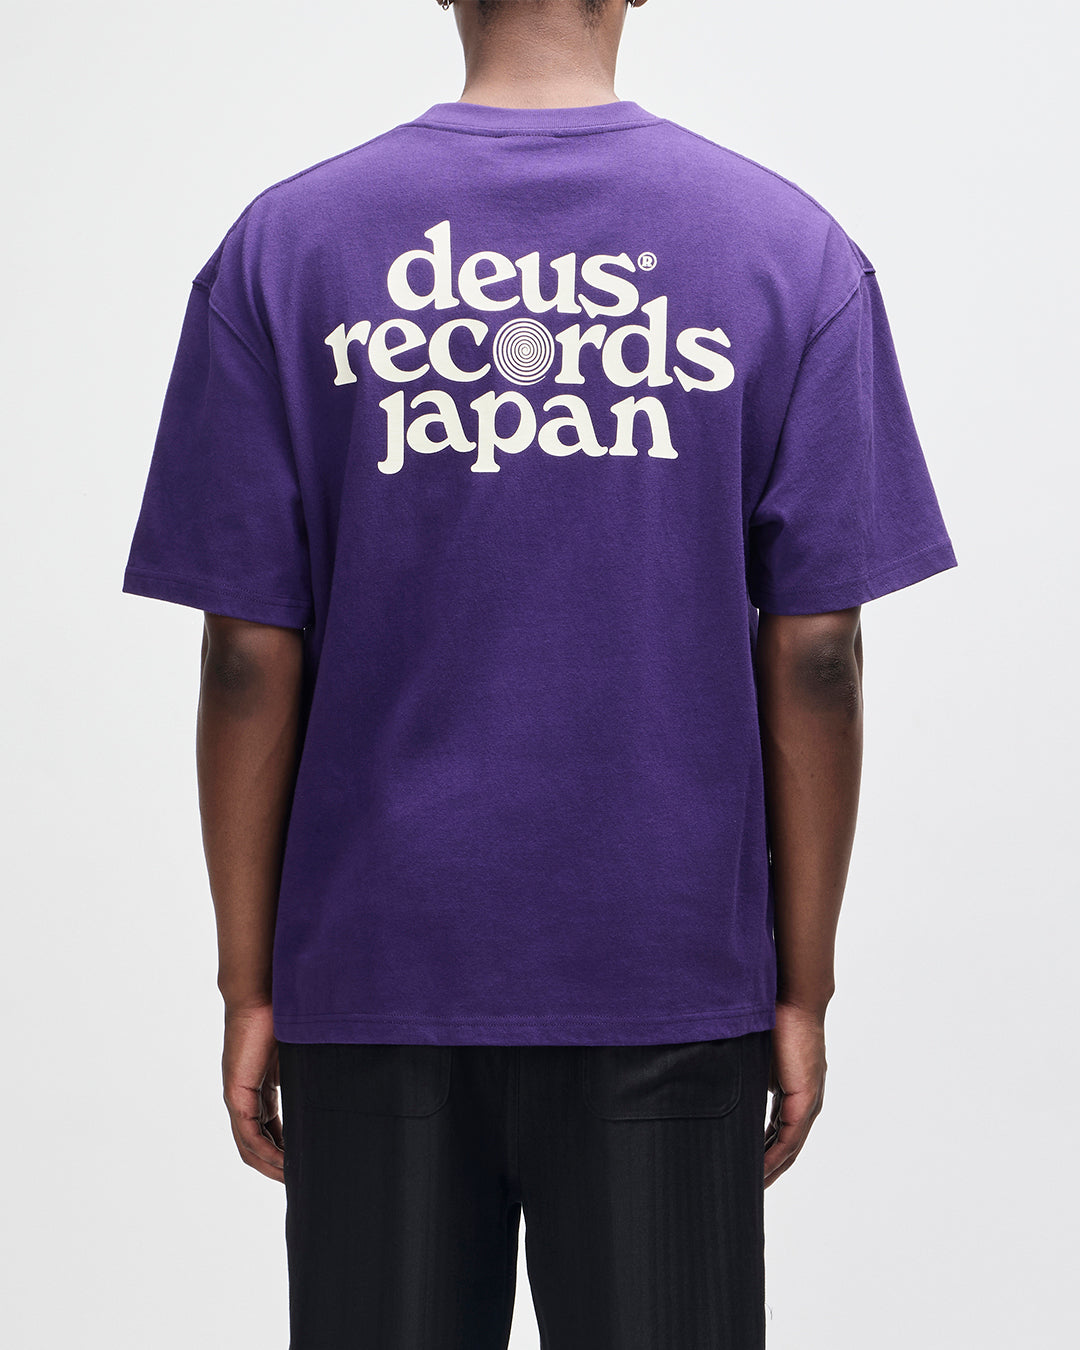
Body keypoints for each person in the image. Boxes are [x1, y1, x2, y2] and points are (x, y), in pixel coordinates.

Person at [121, 0, 958, 1344]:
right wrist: (800, 986)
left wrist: (250, 980)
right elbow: (817, 654)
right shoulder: (787, 250)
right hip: (668, 973)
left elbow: (243, 655)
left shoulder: (287, 248)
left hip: (375, 971)